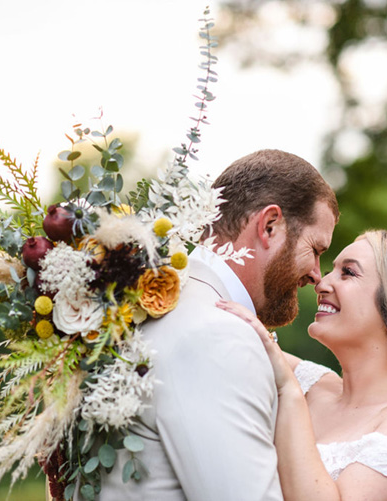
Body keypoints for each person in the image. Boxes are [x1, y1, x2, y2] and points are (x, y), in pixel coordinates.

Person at [98, 149, 339, 500]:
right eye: (315, 249)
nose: (317, 275)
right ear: (270, 225)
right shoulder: (219, 337)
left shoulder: (133, 307)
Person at [217, 226, 387, 501]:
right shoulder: (308, 382)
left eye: (348, 273)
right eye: (332, 269)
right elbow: (224, 324)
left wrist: (288, 393)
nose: (322, 283)